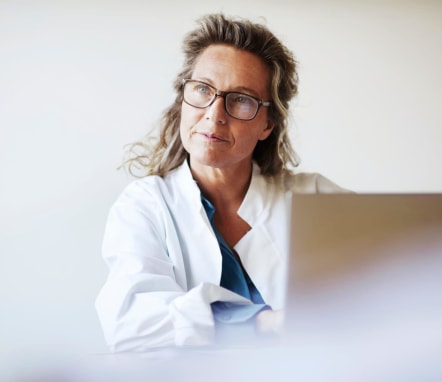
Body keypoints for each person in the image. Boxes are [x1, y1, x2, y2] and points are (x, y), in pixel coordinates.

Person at [95, 13, 346, 352]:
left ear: (268, 124)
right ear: (183, 99)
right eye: (202, 89)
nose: (215, 114)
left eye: (241, 99)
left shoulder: (315, 197)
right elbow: (129, 324)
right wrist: (264, 323)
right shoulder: (145, 205)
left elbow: (400, 283)